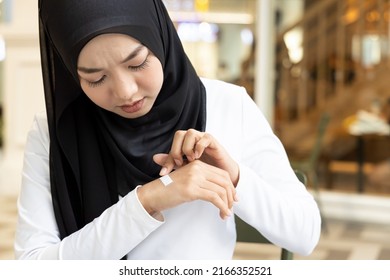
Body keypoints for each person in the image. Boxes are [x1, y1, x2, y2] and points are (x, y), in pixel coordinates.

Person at [14, 0, 321, 260]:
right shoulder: (54, 132)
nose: (125, 92)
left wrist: (234, 174)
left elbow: (304, 233)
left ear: (160, 37)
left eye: (136, 64)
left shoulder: (227, 105)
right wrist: (148, 201)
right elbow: (32, 264)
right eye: (95, 79)